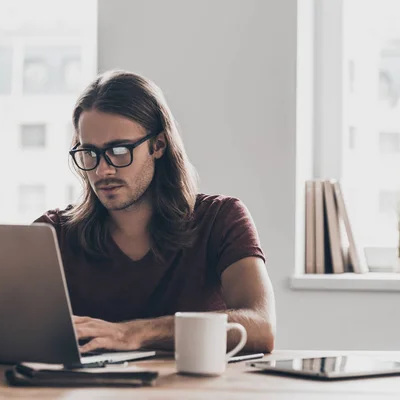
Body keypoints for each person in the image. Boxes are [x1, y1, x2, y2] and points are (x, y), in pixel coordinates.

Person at [34, 70, 276, 354]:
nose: (102, 170)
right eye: (89, 153)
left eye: (119, 150)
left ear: (158, 145)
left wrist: (133, 333)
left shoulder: (221, 219)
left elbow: (261, 327)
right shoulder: (53, 233)